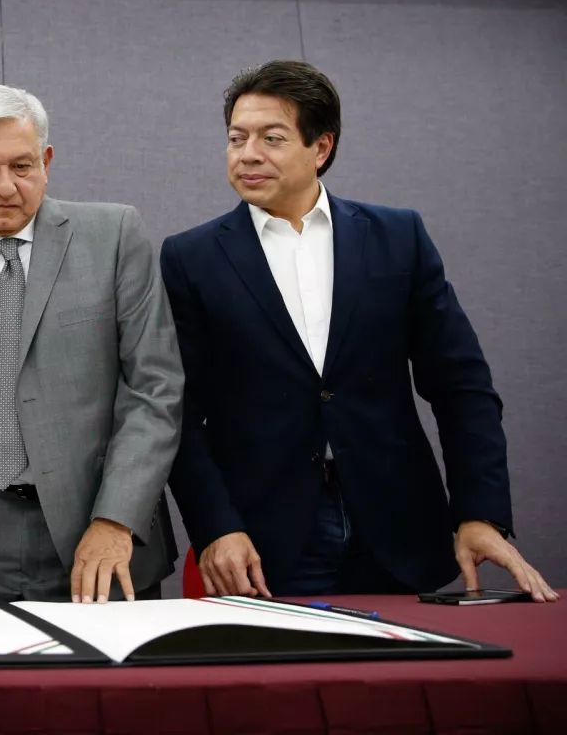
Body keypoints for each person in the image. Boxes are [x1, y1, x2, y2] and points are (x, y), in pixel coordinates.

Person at [159, 60, 557, 601]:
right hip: (266, 539)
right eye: (236, 137)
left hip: (399, 525)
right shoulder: (191, 258)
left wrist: (481, 513)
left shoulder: (398, 237)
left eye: (271, 138)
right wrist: (216, 527)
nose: (247, 153)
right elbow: (178, 414)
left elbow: (462, 388)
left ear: (320, 148)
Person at [0, 82, 184, 604]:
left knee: (103, 688)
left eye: (22, 166)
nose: (5, 186)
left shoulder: (114, 235)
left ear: (46, 161)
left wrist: (116, 519)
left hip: (98, 533)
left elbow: (155, 389)